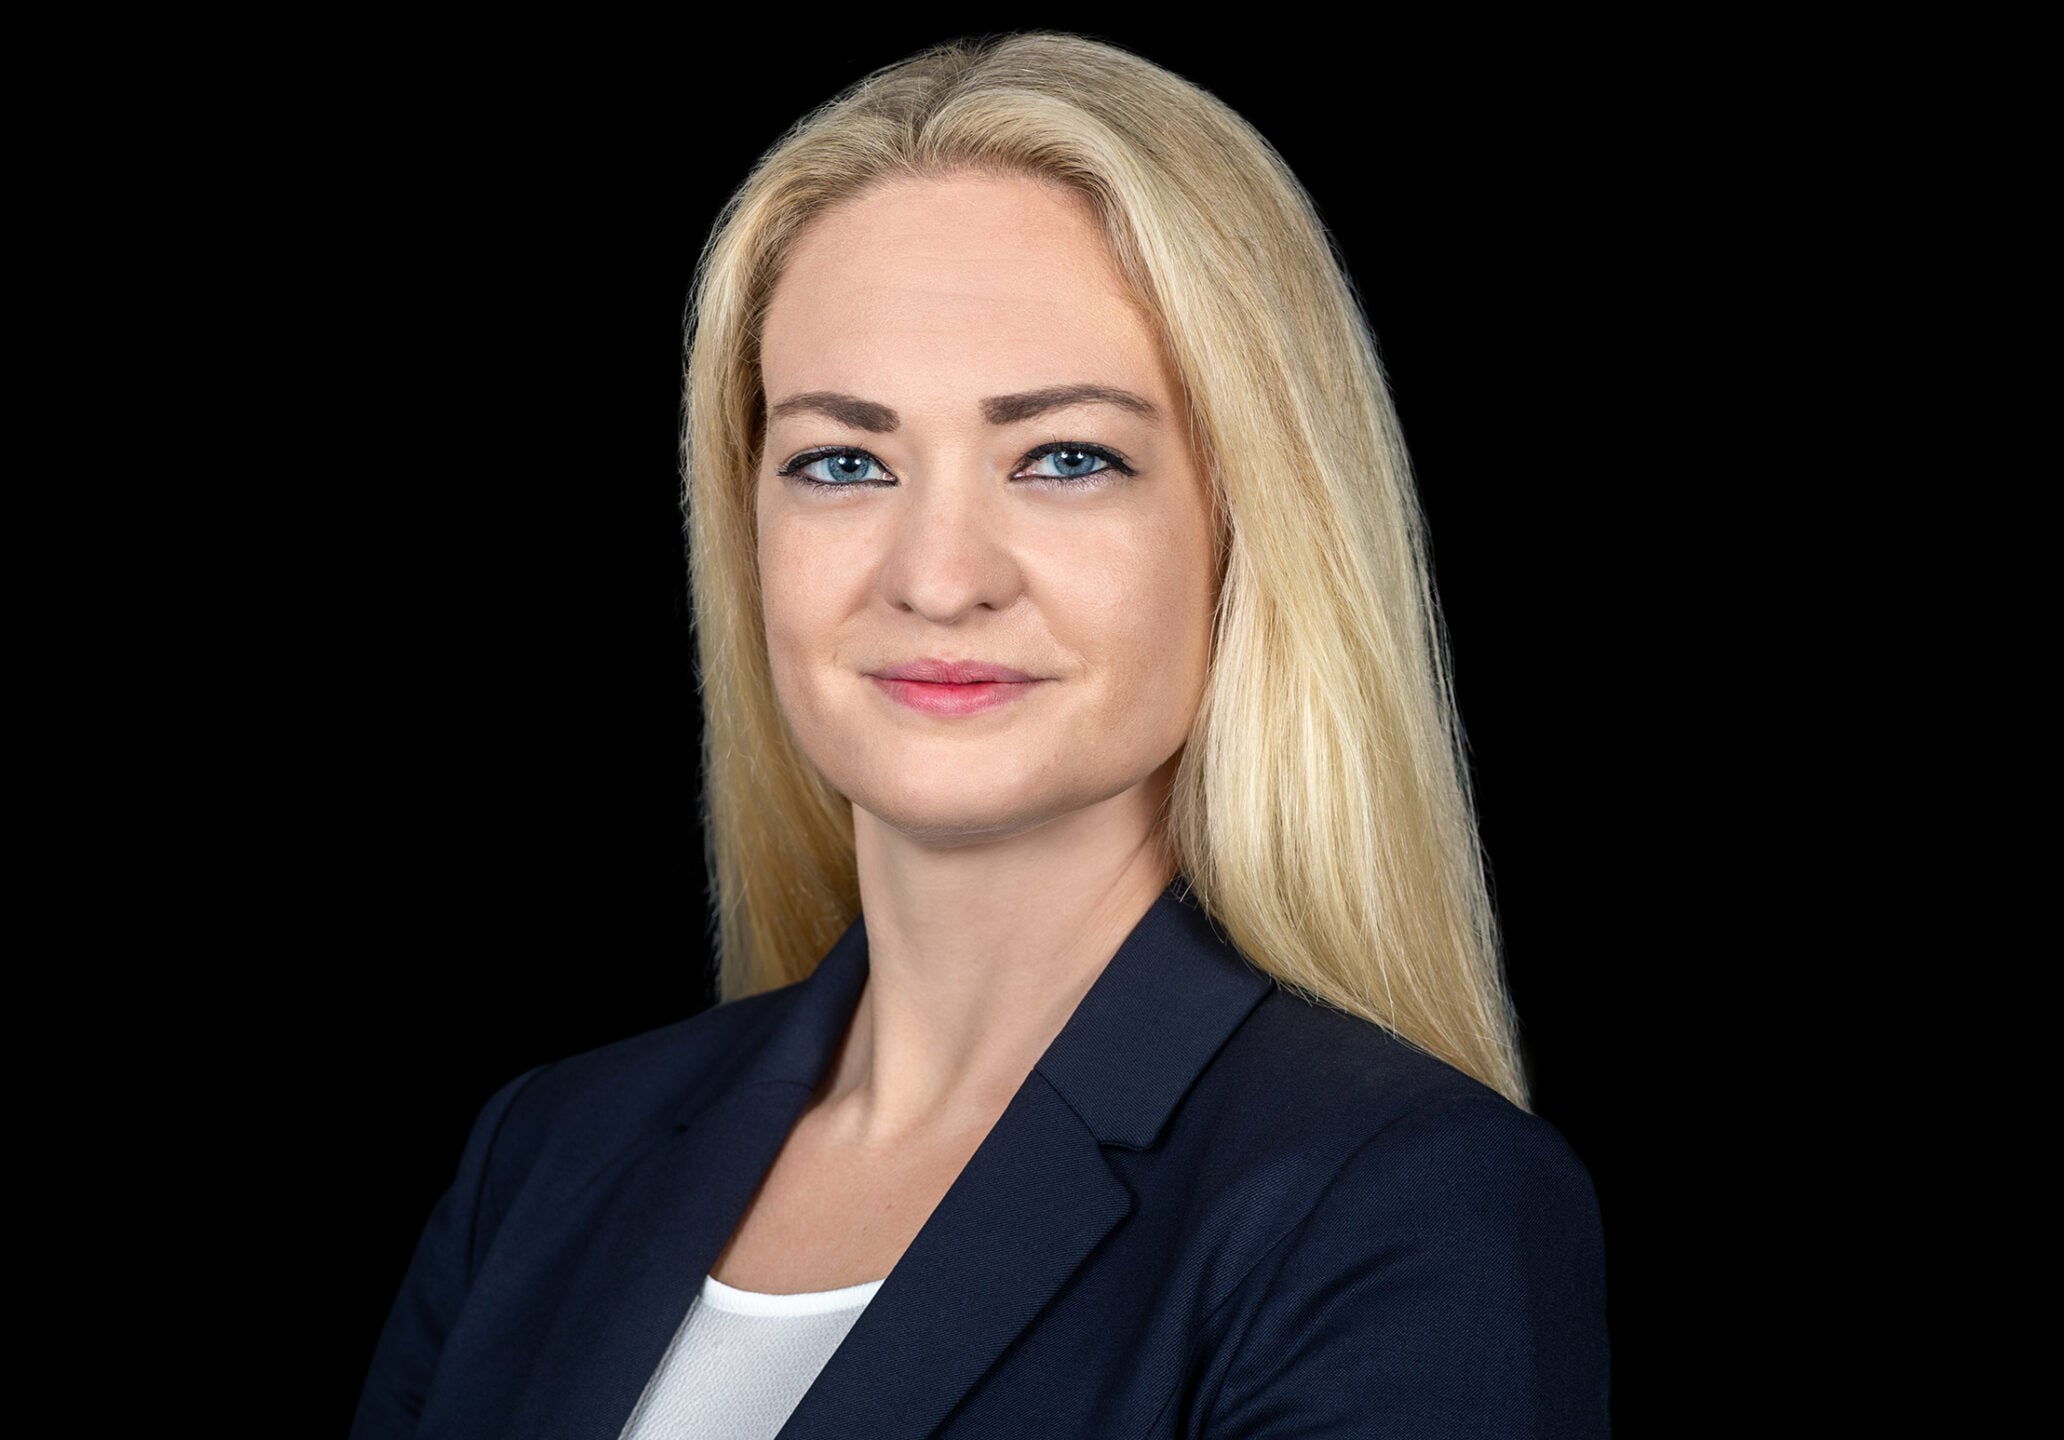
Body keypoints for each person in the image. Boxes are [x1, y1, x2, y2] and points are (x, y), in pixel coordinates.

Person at [356, 32, 1607, 1439]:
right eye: (844, 461)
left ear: (1250, 524)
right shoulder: (543, 1161)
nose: (939, 578)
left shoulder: (1398, 1205)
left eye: (1065, 458)